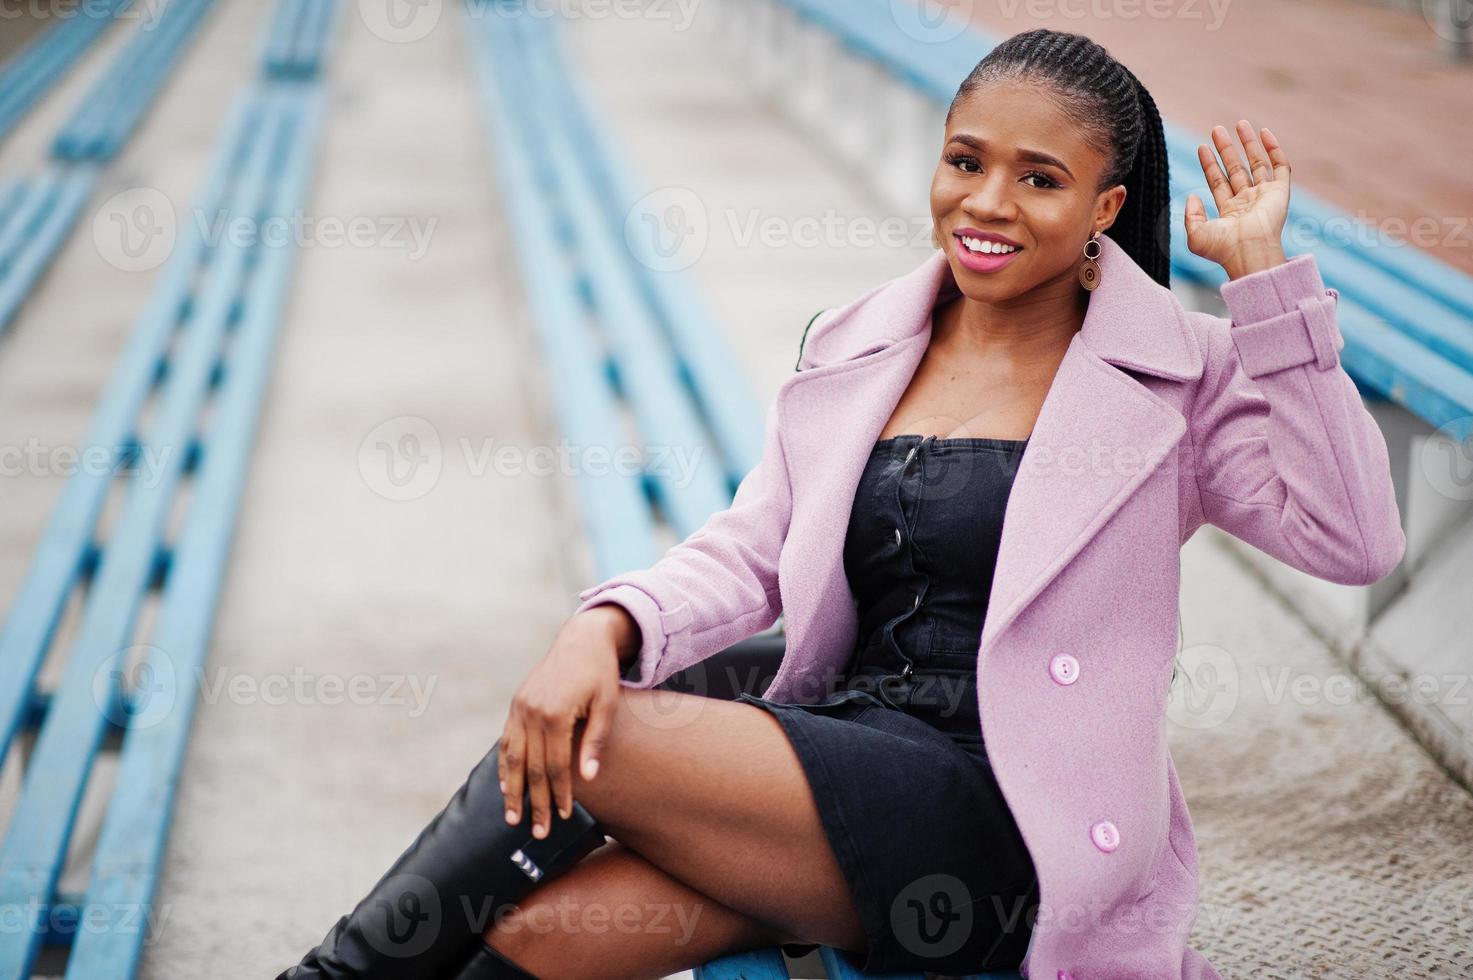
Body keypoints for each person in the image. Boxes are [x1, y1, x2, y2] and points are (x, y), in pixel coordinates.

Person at [279, 26, 1404, 980]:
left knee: (591, 735)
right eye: (966, 161)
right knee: (543, 933)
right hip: (845, 746)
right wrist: (602, 622)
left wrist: (1266, 289)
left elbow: (1352, 535)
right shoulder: (861, 340)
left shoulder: (1180, 373)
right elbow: (751, 546)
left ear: (1106, 204)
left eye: (1040, 178)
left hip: (1006, 817)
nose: (988, 203)